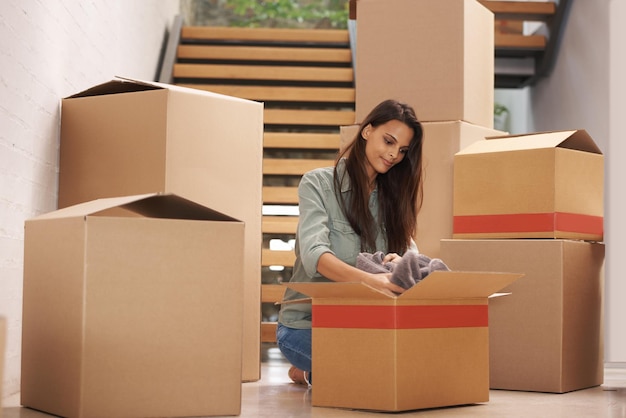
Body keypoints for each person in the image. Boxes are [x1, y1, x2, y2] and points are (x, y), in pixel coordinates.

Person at [276, 99, 424, 385]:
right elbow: (315, 256)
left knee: (410, 366)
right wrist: (372, 281)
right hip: (308, 324)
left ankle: (310, 372)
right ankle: (310, 368)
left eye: (403, 150)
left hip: (368, 323)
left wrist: (401, 262)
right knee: (372, 372)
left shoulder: (392, 199)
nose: (394, 154)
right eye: (389, 141)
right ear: (367, 131)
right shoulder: (317, 184)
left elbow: (414, 259)